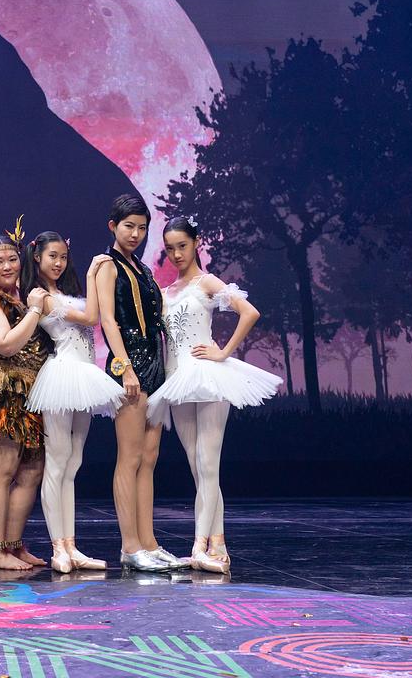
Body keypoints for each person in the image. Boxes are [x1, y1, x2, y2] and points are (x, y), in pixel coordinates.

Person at [147, 216, 282, 573]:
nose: (177, 254)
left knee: (208, 464)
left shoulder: (206, 282)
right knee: (199, 468)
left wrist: (222, 353)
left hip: (207, 376)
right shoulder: (166, 292)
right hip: (178, 380)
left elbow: (249, 312)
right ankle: (217, 542)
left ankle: (199, 546)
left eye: (183, 246)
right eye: (170, 248)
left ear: (196, 243)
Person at [94, 194, 190, 572]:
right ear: (112, 226)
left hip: (154, 364)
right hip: (129, 366)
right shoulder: (107, 265)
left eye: (142, 228)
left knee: (149, 459)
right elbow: (108, 319)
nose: (135, 234)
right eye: (128, 226)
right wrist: (125, 368)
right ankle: (130, 546)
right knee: (130, 457)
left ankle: (149, 543)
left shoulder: (143, 269)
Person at [22, 231, 122, 573]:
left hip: (83, 376)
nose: (59, 262)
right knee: (57, 462)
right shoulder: (40, 296)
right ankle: (58, 548)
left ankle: (71, 545)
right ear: (37, 257)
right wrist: (94, 273)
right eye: (53, 256)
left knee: (73, 463)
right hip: (62, 376)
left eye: (63, 257)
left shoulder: (62, 294)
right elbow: (92, 317)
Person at [0, 218, 53, 570]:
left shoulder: (22, 296)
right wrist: (35, 310)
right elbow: (4, 345)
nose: (7, 267)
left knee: (31, 471)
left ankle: (14, 546)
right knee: (1, 471)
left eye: (12, 259)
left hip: (30, 393)